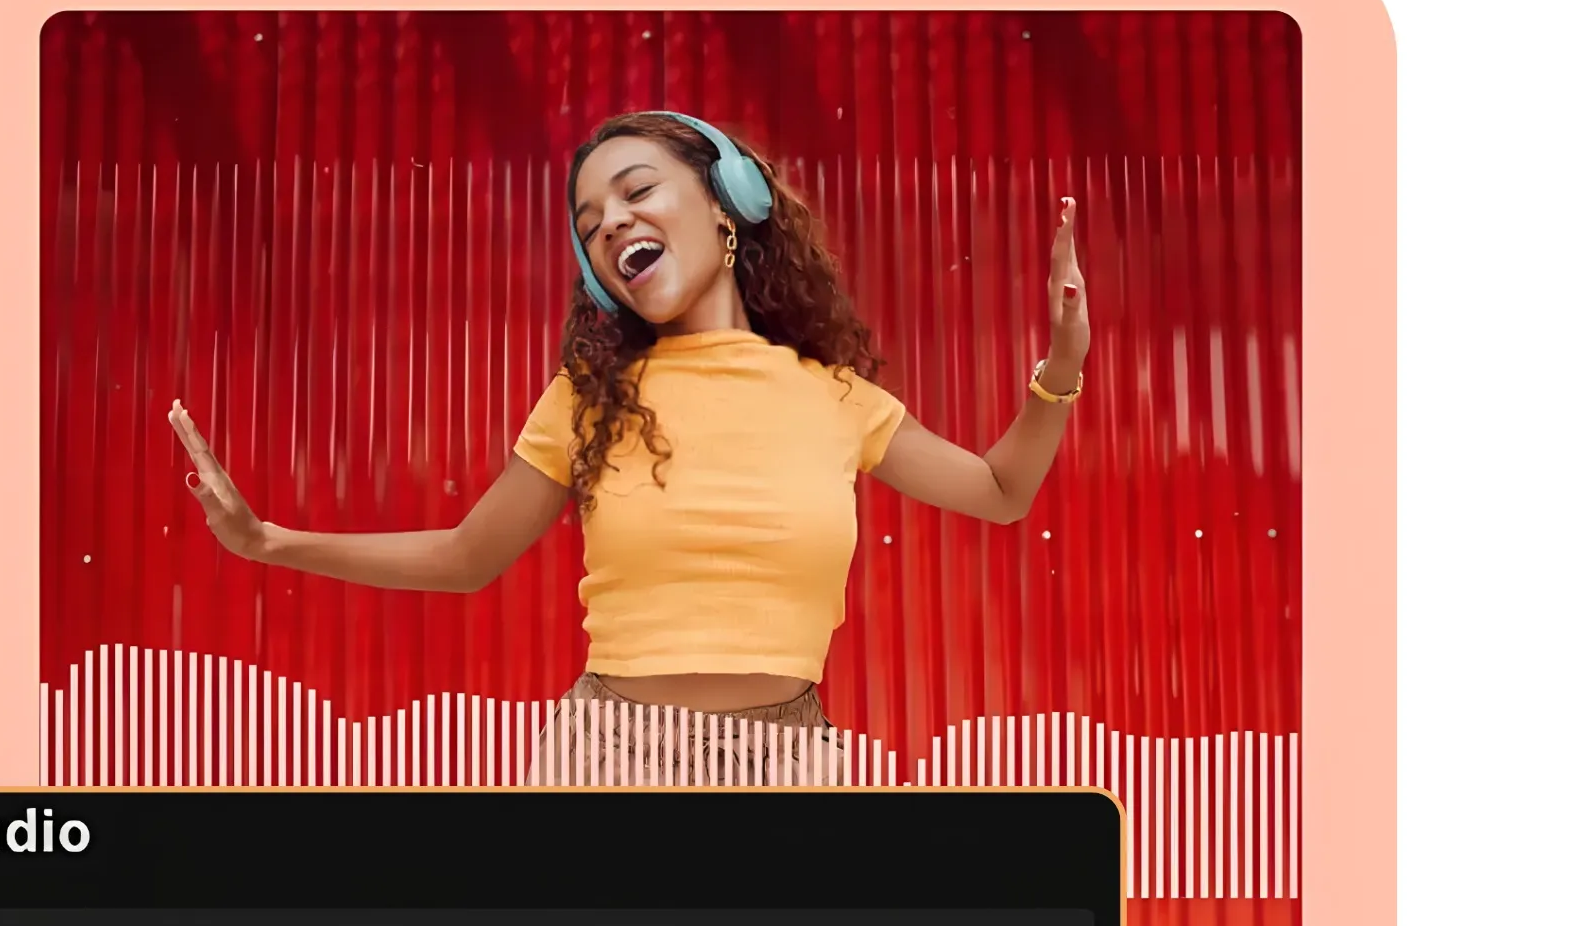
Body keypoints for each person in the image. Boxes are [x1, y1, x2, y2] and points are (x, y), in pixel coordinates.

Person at [167, 110, 1089, 787]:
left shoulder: (838, 400)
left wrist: (1061, 366)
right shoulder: (589, 402)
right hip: (607, 762)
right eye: (588, 221)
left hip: (791, 764)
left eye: (637, 191)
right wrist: (270, 542)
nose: (609, 221)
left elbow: (1003, 489)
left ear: (730, 208)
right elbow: (463, 557)